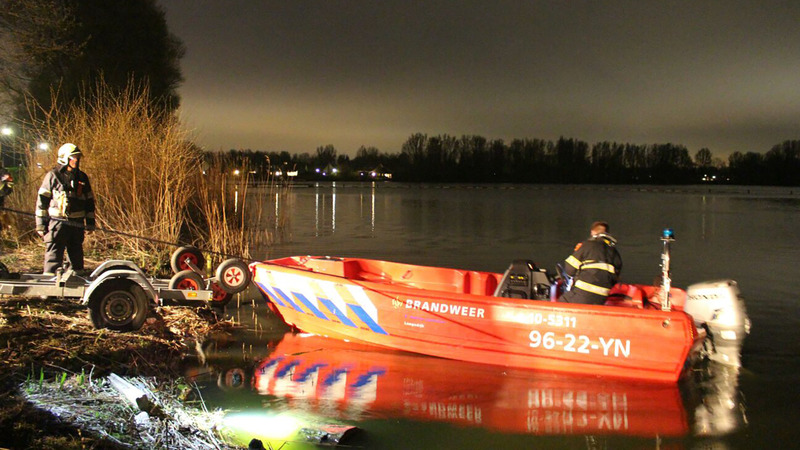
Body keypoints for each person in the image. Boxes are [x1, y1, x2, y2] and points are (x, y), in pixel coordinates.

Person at [35, 143, 96, 275]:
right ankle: (49, 288)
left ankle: (75, 282)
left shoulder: (82, 177)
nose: (77, 160)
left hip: (76, 224)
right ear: (65, 158)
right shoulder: (53, 176)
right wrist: (41, 225)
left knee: (76, 254)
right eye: (74, 157)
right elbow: (42, 202)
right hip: (57, 223)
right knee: (53, 253)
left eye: (78, 157)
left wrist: (90, 223)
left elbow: (89, 201)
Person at [560, 221, 622, 305]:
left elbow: (570, 269)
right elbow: (615, 278)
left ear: (593, 232)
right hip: (602, 297)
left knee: (561, 302)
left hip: (582, 294)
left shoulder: (587, 245)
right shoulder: (614, 252)